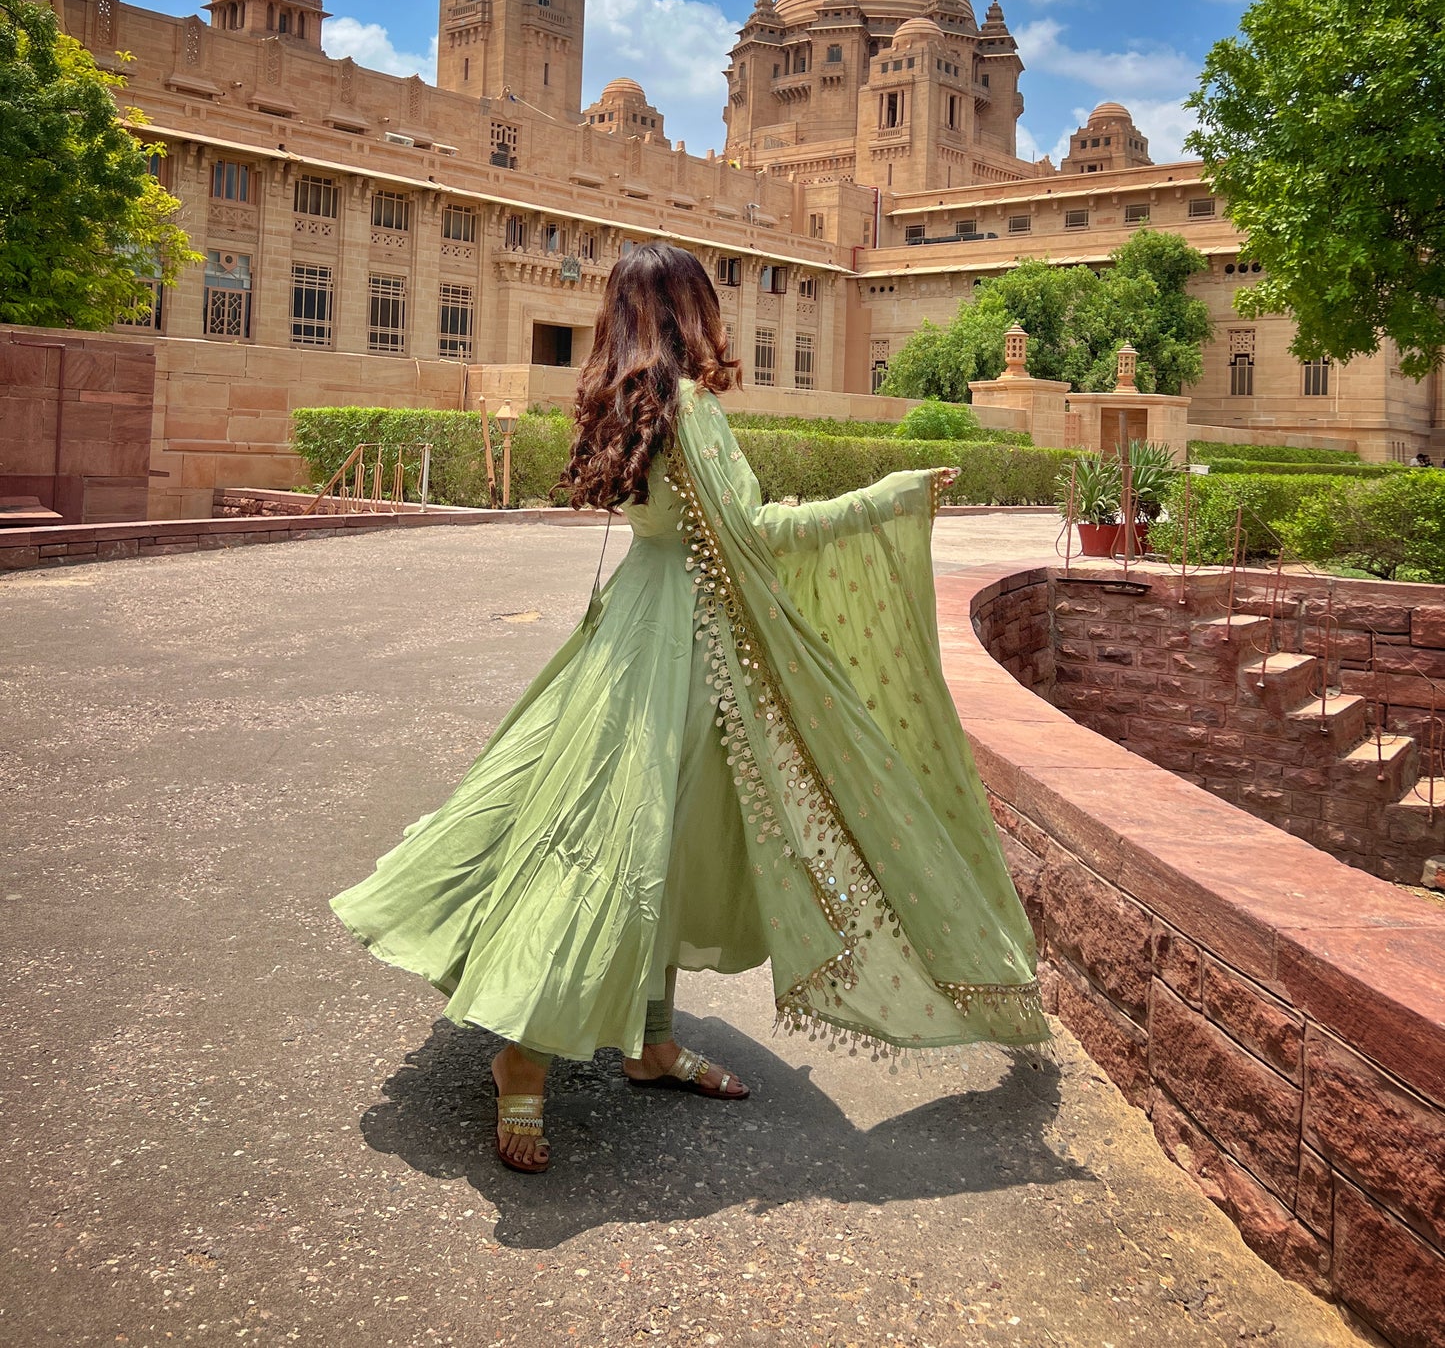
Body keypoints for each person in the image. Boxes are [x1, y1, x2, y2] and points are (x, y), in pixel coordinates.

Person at [331, 244, 1045, 1174]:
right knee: (612, 844)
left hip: (636, 628)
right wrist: (883, 499)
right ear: (685, 311)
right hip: (680, 644)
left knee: (655, 840)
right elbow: (752, 533)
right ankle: (525, 1051)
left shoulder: (622, 401)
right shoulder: (688, 408)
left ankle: (651, 1039)